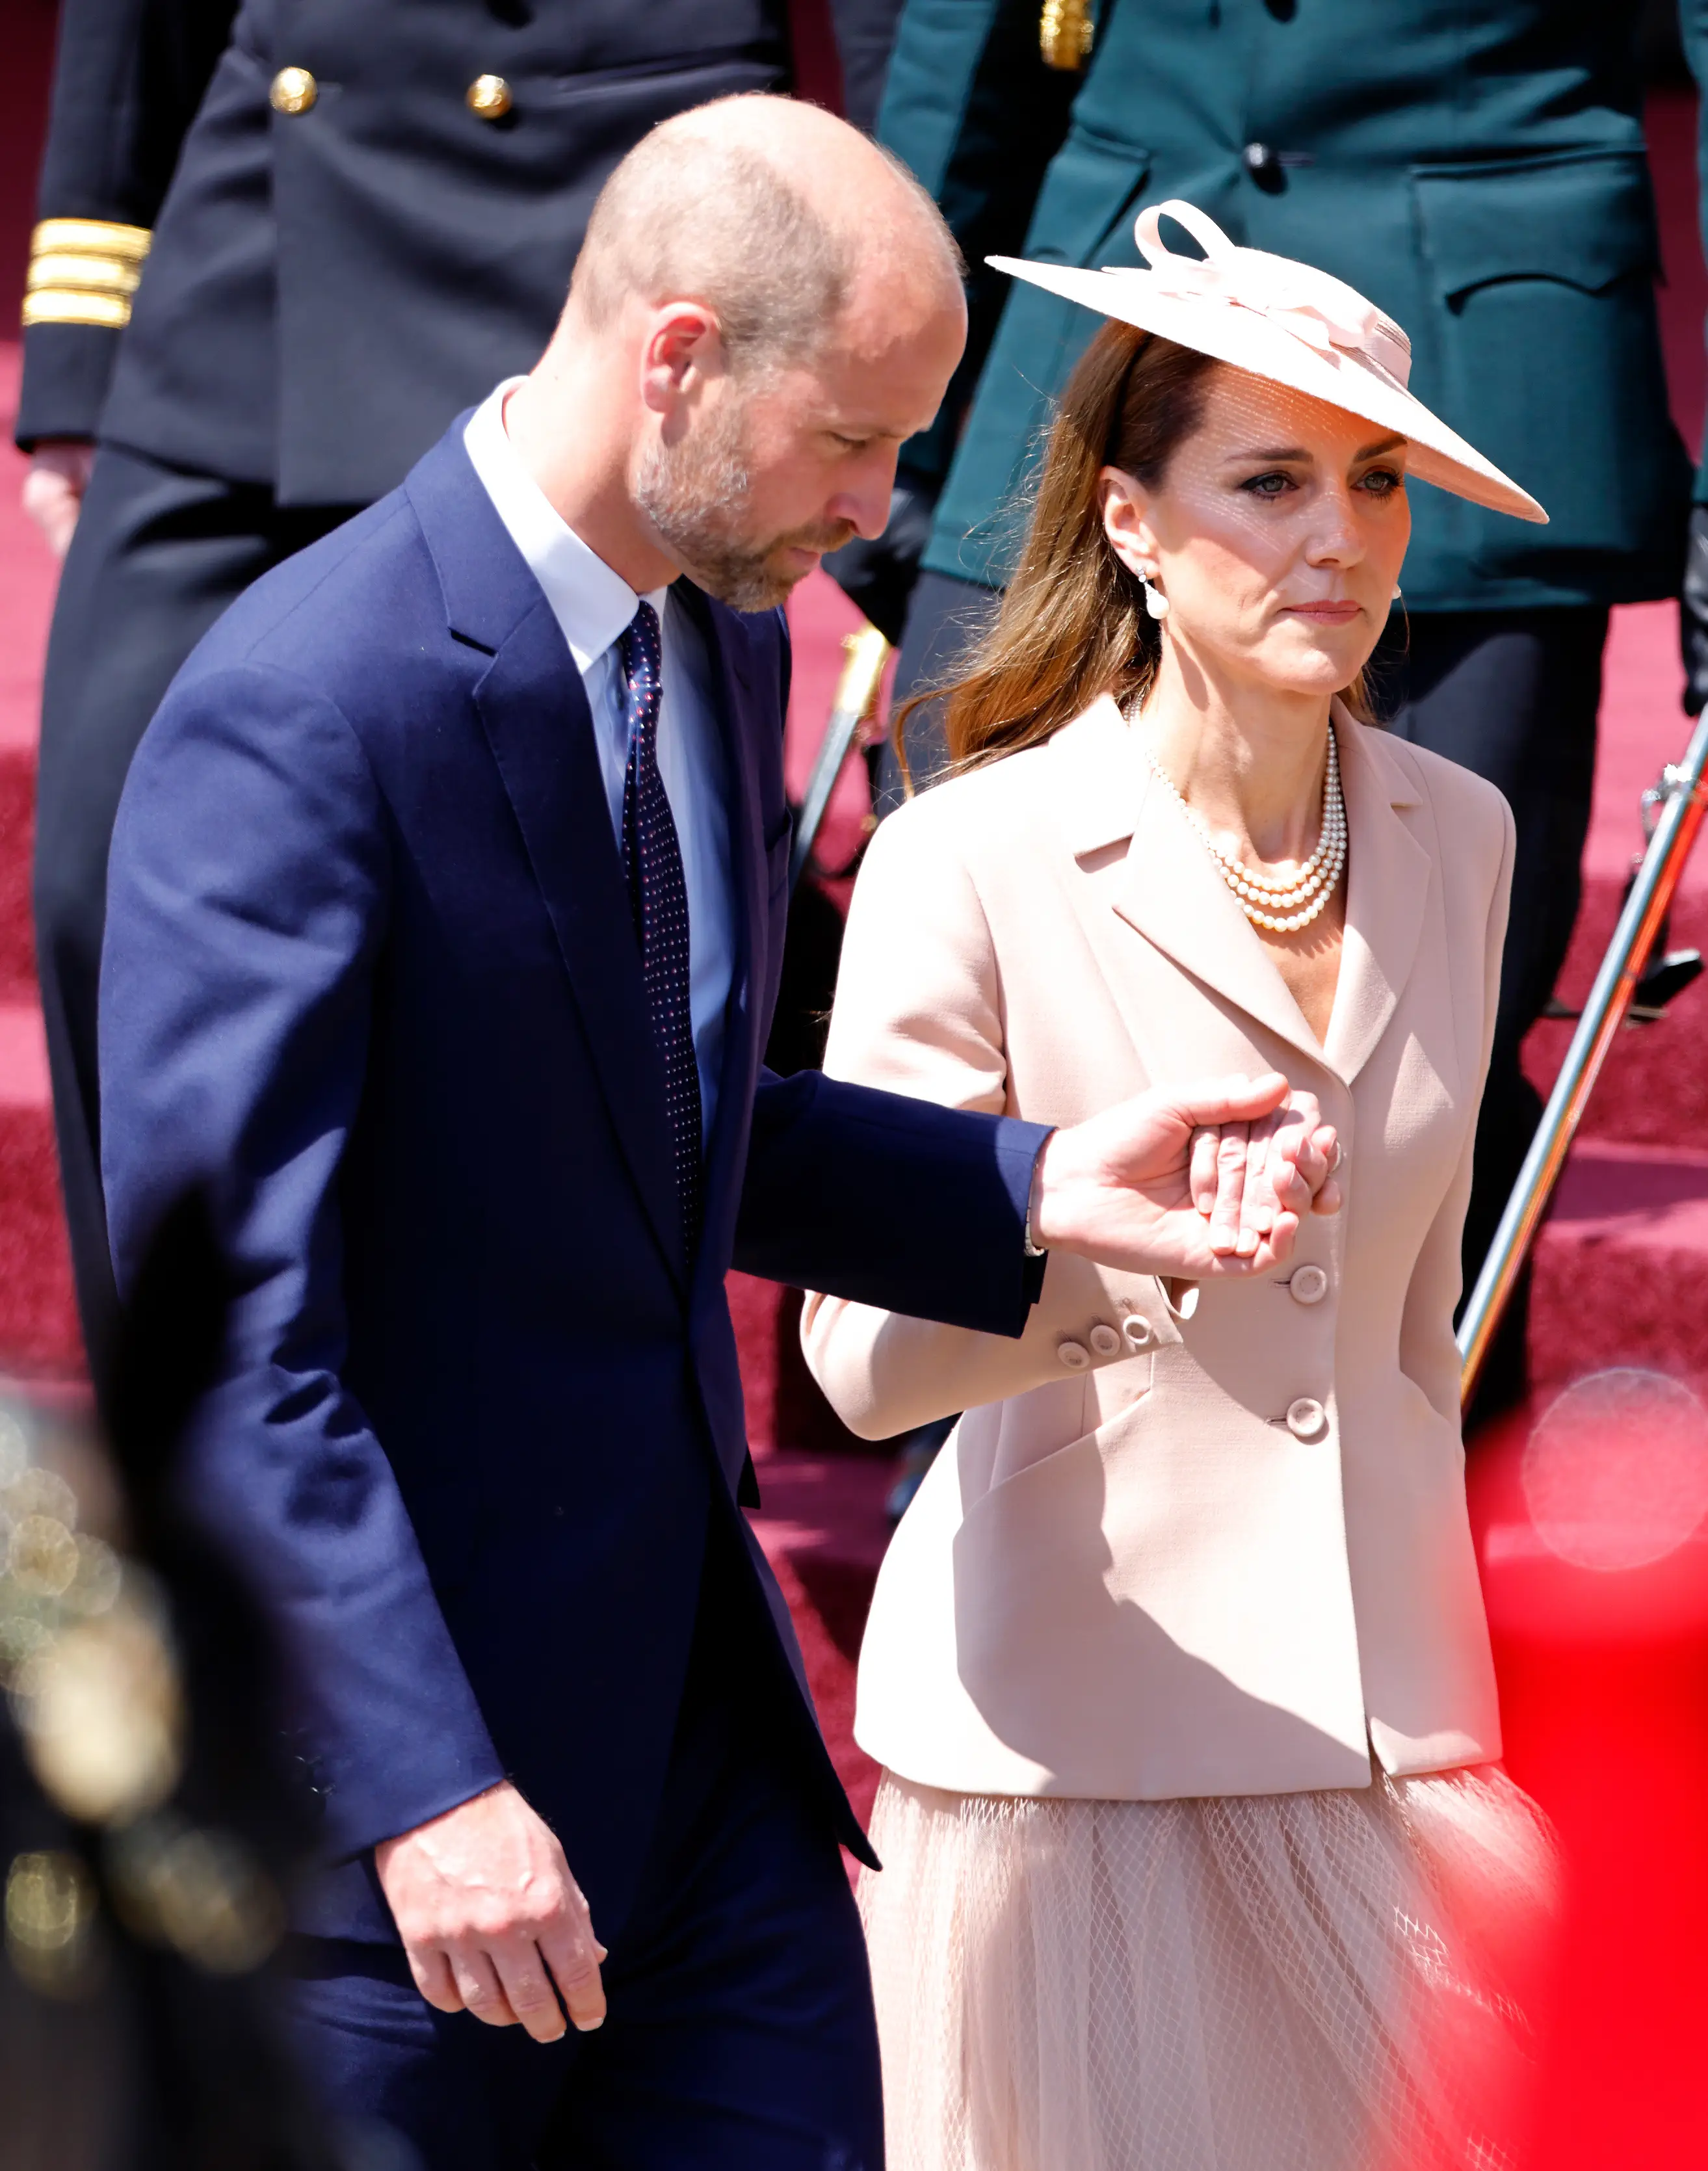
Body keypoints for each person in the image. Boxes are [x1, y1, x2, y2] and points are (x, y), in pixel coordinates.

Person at [96, 110, 1338, 2168]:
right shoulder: (305, 708)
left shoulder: (723, 634)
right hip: (410, 1848)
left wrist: (1031, 1183)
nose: (875, 508)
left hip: (702, 1778)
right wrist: (420, 1790)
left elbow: (662, 1122)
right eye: (849, 439)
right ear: (676, 357)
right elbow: (229, 1340)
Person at [802, 203, 1560, 2168]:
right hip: (1076, 1774)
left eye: (1376, 483)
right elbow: (856, 1368)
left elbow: (1411, 1337)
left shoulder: (1461, 833)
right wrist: (1101, 1245)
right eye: (1271, 482)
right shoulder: (966, 856)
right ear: (1131, 522)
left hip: (1388, 1754)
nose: (1341, 538)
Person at [849, 0, 1701, 1414]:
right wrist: (892, 401)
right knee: (978, 949)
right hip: (1118, 271)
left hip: (1481, 320)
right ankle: (981, 1473)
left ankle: (1421, 1471)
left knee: (1435, 1034)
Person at [15, 0, 863, 1404]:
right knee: (97, 877)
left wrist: (882, 374)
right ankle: (184, 1472)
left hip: (616, 226)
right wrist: (81, 342)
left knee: (593, 949)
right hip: (262, 255)